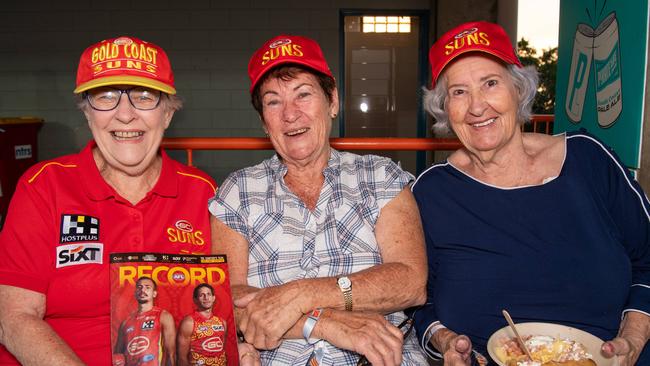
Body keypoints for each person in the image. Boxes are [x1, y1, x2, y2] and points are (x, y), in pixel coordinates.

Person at [411, 20, 650, 366]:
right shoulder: (432, 192)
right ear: (444, 108)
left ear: (519, 89)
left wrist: (635, 334)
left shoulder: (588, 160)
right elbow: (419, 303)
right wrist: (445, 340)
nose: (477, 107)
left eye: (490, 84)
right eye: (458, 92)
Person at [209, 34, 429, 366]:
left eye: (303, 95)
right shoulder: (238, 191)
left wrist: (305, 294)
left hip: (383, 357)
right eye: (273, 101)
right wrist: (323, 323)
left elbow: (410, 282)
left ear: (333, 101)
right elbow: (225, 298)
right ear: (263, 123)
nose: (290, 114)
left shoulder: (380, 175)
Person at [0, 36, 218, 365]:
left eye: (145, 97)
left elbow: (216, 311)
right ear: (88, 114)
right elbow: (13, 317)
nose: (125, 114)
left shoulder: (203, 192)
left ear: (168, 114)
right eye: (106, 97)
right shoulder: (44, 187)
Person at [114, 277, 176, 366]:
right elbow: (118, 355)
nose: (143, 290)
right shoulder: (125, 322)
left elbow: (171, 354)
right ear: (135, 293)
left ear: (154, 294)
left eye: (147, 287)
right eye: (139, 287)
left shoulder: (163, 316)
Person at [177, 284, 228, 366]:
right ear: (195, 300)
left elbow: (222, 350)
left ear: (213, 298)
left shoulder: (222, 322)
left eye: (208, 294)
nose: (206, 298)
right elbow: (181, 357)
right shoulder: (189, 322)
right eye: (201, 295)